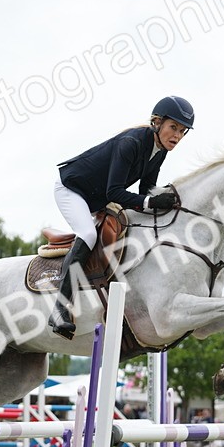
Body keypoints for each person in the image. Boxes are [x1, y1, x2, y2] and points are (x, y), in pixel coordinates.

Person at [48, 95, 195, 338]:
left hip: (98, 197)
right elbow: (114, 191)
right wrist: (150, 201)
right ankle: (61, 307)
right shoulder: (131, 143)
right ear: (157, 122)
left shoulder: (159, 151)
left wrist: (168, 201)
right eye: (173, 128)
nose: (177, 136)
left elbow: (145, 191)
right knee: (87, 233)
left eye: (182, 131)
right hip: (72, 189)